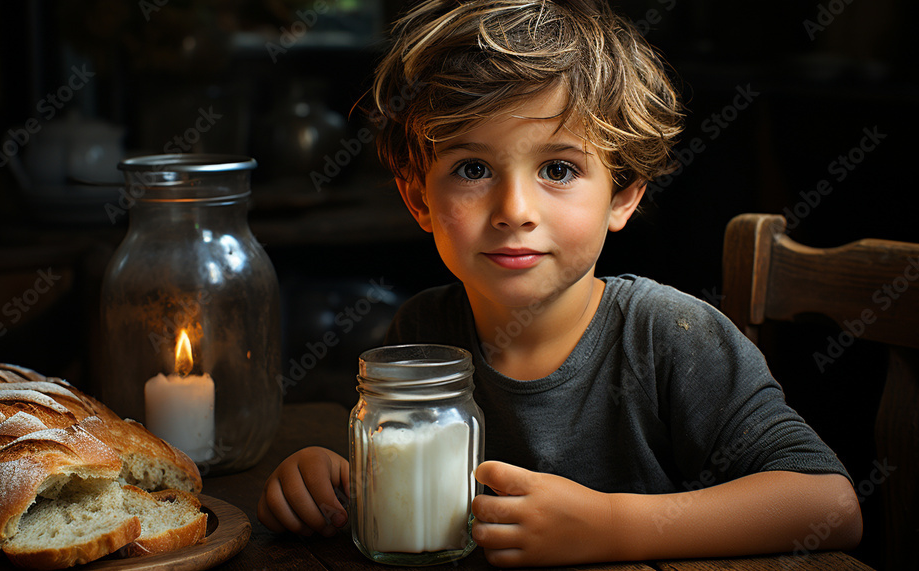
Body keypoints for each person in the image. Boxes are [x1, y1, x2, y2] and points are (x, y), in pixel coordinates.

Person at [258, 0, 863, 566]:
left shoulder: (671, 335)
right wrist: (332, 478)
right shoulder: (426, 333)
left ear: (622, 197)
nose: (514, 209)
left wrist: (611, 524)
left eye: (558, 169)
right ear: (419, 198)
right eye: (473, 169)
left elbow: (828, 506)